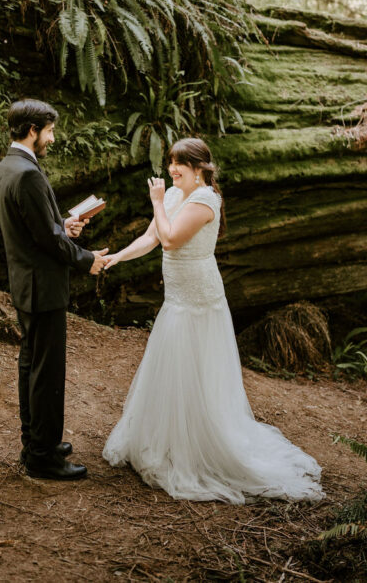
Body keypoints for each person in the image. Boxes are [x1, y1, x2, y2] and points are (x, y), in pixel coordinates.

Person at [100, 137, 325, 503]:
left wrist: (156, 202)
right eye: (171, 162)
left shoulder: (205, 200)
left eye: (181, 164)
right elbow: (152, 238)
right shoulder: (174, 195)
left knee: (196, 368)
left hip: (198, 300)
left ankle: (199, 446)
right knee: (172, 366)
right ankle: (169, 438)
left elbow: (171, 239)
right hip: (176, 297)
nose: (173, 169)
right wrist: (119, 257)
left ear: (200, 169)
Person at [0, 99, 108, 481]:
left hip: (26, 284)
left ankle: (37, 443)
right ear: (32, 130)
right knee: (46, 373)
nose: (52, 138)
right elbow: (45, 240)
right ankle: (42, 458)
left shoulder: (8, 166)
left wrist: (62, 224)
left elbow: (38, 227)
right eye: (50, 131)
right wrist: (85, 258)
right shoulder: (27, 174)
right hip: (42, 287)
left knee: (32, 366)